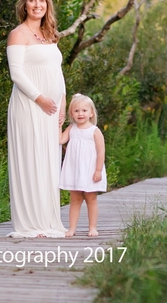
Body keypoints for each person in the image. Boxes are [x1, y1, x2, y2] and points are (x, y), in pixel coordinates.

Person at [6, 0, 67, 238]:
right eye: (32, 0)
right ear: (24, 4)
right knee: (31, 161)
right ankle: (30, 224)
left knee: (49, 164)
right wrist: (40, 98)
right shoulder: (18, 34)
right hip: (29, 106)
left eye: (41, 0)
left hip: (52, 110)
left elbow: (57, 72)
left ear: (47, 4)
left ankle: (47, 220)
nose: (37, 4)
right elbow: (16, 73)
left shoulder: (50, 35)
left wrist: (62, 104)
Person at [59, 94, 106, 237]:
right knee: (75, 200)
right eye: (76, 111)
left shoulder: (95, 131)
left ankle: (92, 227)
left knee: (91, 199)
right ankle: (71, 228)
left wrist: (98, 170)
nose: (80, 114)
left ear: (91, 113)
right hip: (75, 170)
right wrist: (59, 124)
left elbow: (100, 151)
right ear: (71, 113)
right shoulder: (71, 128)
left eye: (84, 111)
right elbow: (60, 140)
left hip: (90, 170)